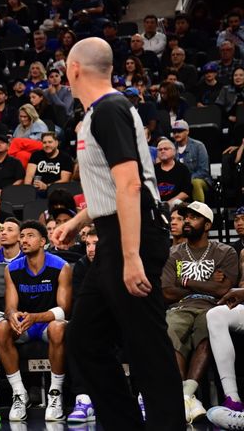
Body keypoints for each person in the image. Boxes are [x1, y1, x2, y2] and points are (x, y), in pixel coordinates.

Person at [52, 37, 184, 430]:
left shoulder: (108, 110)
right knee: (85, 340)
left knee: (147, 347)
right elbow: (114, 189)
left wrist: (131, 257)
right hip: (115, 233)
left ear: (74, 69)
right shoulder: (99, 113)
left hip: (134, 237)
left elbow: (129, 187)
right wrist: (78, 222)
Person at [160, 201, 237, 423]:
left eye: (193, 218)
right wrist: (206, 284)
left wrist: (184, 280)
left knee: (208, 327)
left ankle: (184, 395)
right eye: (185, 217)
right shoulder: (173, 253)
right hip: (180, 306)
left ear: (207, 225)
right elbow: (166, 292)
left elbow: (224, 290)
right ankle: (186, 398)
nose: (187, 221)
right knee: (172, 328)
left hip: (212, 308)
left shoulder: (224, 251)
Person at [0, 220, 72, 422]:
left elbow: (64, 309)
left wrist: (35, 317)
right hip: (25, 324)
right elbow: (10, 306)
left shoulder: (60, 266)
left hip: (48, 323)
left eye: (30, 236)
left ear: (43, 242)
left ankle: (55, 393)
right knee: (1, 328)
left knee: (57, 328)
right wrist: (12, 315)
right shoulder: (12, 269)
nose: (24, 240)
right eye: (22, 236)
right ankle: (20, 393)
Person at [171, 120, 212, 203]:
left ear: (187, 131)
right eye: (174, 132)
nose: (176, 134)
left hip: (199, 180)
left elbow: (204, 171)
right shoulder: (171, 147)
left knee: (195, 183)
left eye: (180, 131)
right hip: (179, 181)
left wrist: (187, 179)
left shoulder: (198, 146)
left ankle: (199, 211)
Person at [155, 138, 192, 206]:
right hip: (157, 206)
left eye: (166, 149)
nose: (162, 151)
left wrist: (168, 204)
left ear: (174, 151)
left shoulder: (183, 169)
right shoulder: (153, 170)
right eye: (160, 150)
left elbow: (185, 193)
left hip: (178, 206)